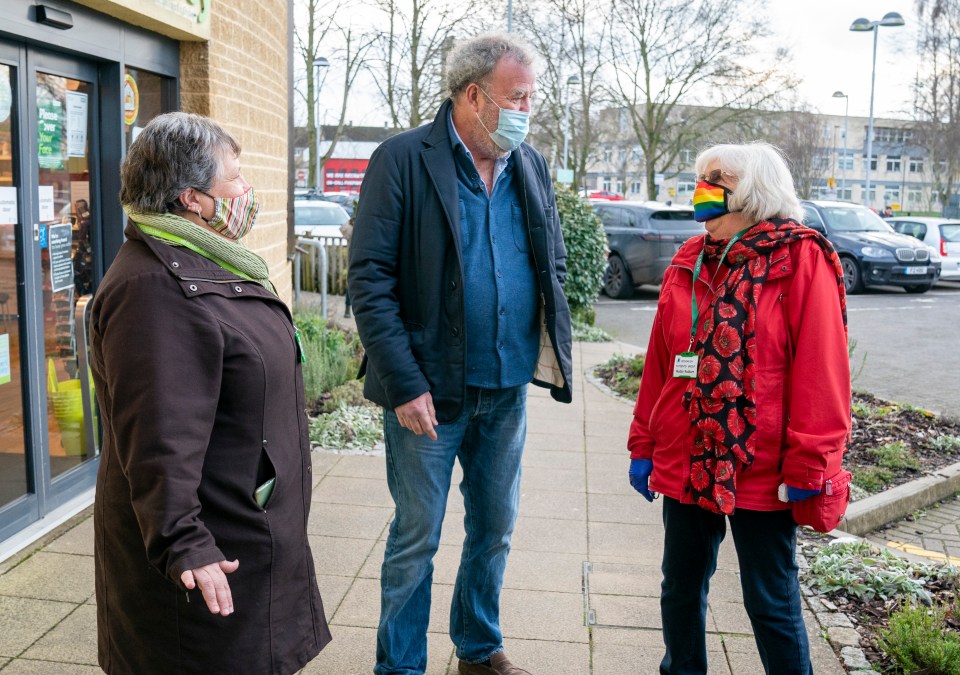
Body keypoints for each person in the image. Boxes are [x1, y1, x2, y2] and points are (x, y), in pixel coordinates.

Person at [348, 33, 573, 675]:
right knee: (416, 538)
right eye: (517, 97)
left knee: (495, 528)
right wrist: (402, 383)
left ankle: (477, 647)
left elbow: (550, 256)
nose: (528, 109)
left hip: (504, 389)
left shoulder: (526, 161)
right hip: (429, 392)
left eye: (531, 96)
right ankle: (400, 666)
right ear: (474, 95)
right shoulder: (402, 159)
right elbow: (369, 279)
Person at [89, 112, 332, 674]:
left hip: (244, 527)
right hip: (212, 554)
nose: (248, 192)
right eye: (237, 177)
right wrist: (185, 544)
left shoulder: (206, 261)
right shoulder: (154, 289)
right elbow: (158, 436)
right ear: (192, 199)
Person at [626, 142, 850, 675]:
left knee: (769, 600)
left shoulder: (802, 258)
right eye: (700, 177)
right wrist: (643, 443)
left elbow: (822, 372)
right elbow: (661, 362)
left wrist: (811, 463)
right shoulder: (689, 259)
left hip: (763, 466)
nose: (703, 189)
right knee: (680, 587)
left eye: (717, 178)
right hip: (687, 454)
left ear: (754, 189)